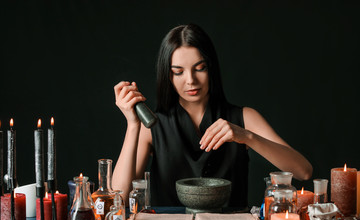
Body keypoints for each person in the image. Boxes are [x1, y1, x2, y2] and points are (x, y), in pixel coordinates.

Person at [112, 23, 312, 208]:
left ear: (211, 68)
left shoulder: (244, 117)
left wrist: (246, 136)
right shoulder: (153, 126)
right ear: (168, 75)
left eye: (200, 68)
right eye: (178, 72)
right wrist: (132, 124)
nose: (190, 80)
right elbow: (118, 196)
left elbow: (303, 171)